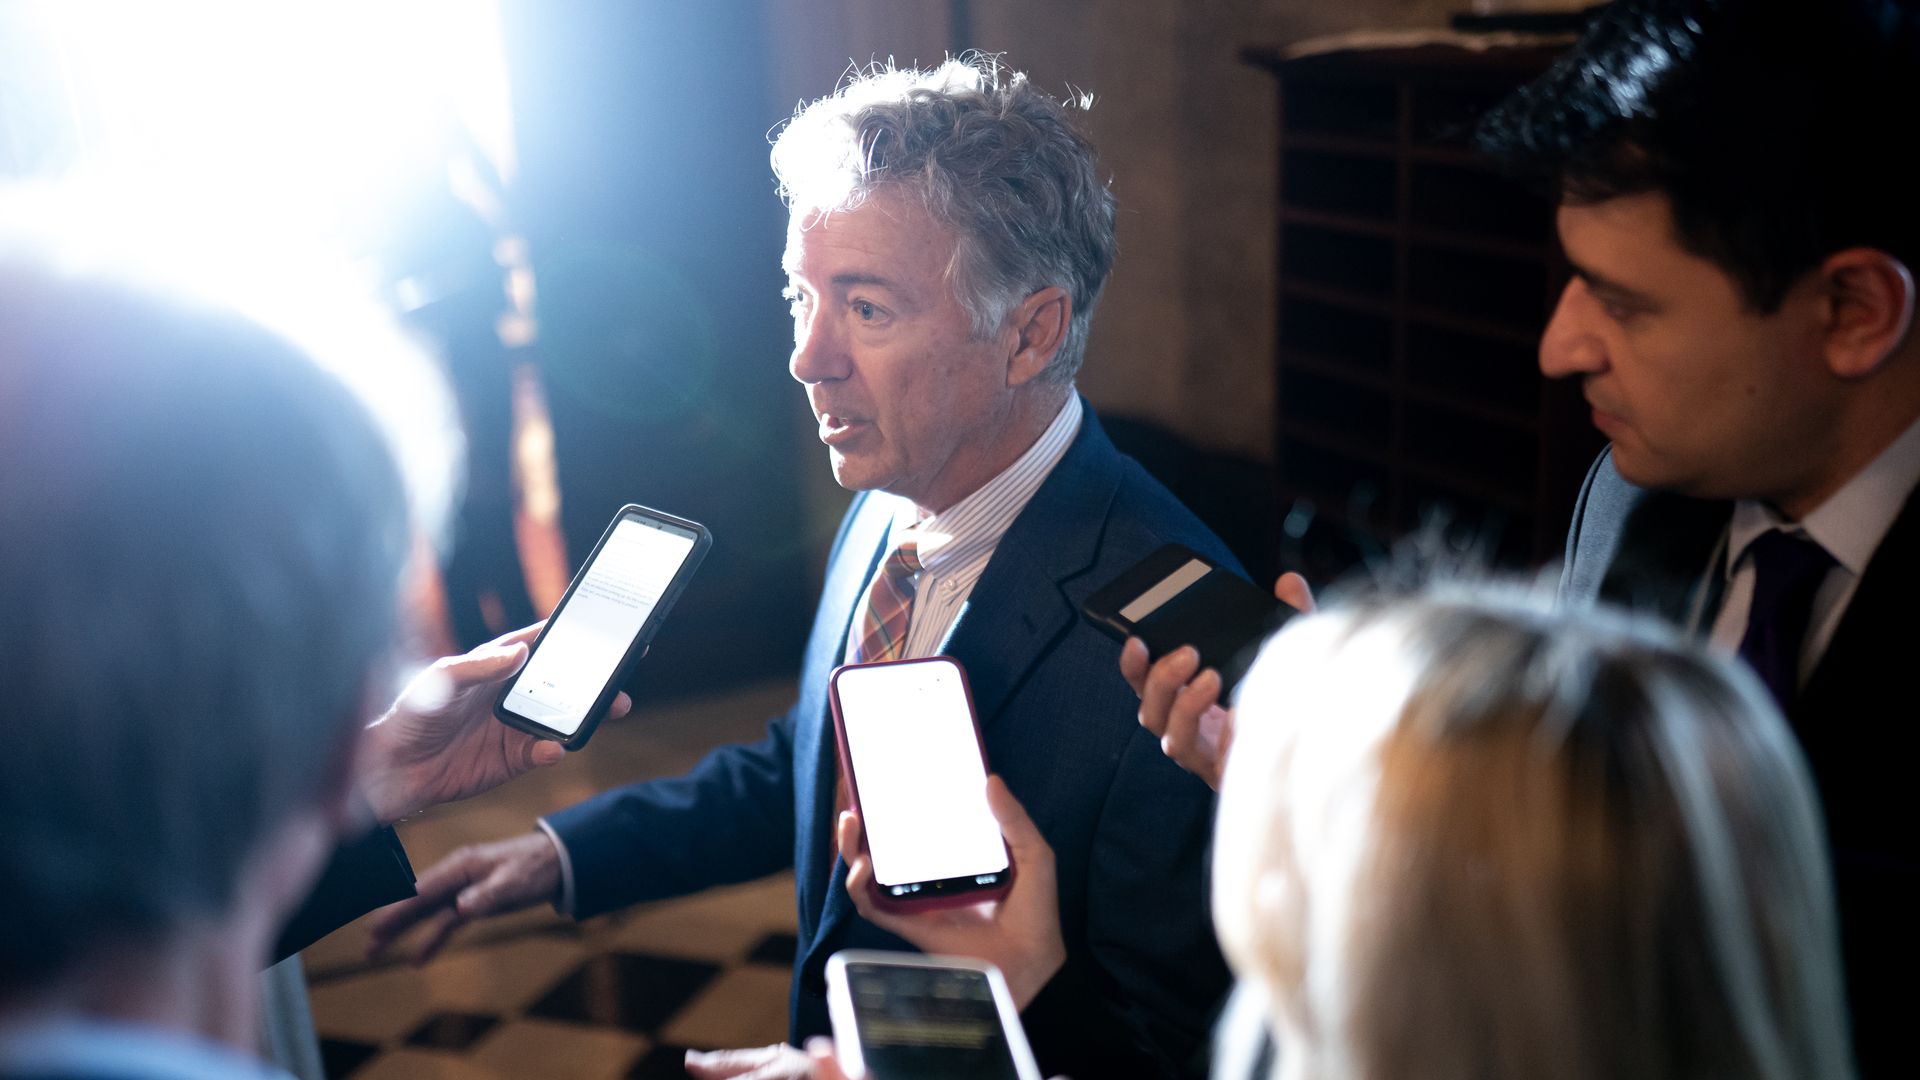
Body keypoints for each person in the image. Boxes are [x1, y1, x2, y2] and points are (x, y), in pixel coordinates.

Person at [371, 57, 1237, 1078]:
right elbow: (814, 762)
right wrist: (561, 856)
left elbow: (1188, 1052)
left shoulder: (1180, 659)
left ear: (1030, 332)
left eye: (866, 308)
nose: (806, 356)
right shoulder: (888, 504)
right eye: (800, 295)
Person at [1129, 1, 1919, 1071]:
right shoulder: (1631, 499)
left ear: (1854, 313)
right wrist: (1327, 795)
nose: (1558, 348)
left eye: (1623, 303)